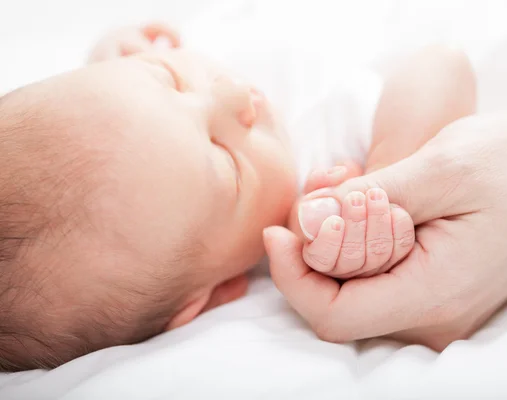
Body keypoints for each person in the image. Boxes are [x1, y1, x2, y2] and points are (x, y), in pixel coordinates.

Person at [0, 23, 474, 371]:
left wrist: (117, 64)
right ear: (207, 298)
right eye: (226, 163)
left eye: (169, 79)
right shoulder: (323, 193)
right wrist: (385, 187)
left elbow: (106, 157)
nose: (233, 97)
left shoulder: (143, 148)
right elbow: (440, 66)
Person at [265, 107, 507, 349]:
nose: (245, 106)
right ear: (212, 295)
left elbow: (443, 61)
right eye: (227, 159)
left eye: (216, 83)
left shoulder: (309, 110)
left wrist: (388, 165)